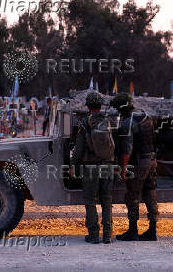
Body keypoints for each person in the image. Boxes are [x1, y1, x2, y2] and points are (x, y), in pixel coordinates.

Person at [111, 93, 159, 241]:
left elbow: (127, 150)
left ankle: (133, 231)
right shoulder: (146, 117)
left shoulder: (128, 123)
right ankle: (152, 230)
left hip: (139, 163)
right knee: (150, 193)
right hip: (151, 160)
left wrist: (124, 170)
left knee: (132, 195)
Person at [70, 92, 115, 244]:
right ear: (101, 105)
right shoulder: (108, 121)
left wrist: (72, 165)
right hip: (107, 165)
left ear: (88, 106)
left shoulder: (85, 123)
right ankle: (108, 235)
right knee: (107, 201)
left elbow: (79, 149)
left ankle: (94, 235)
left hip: (91, 168)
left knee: (90, 201)